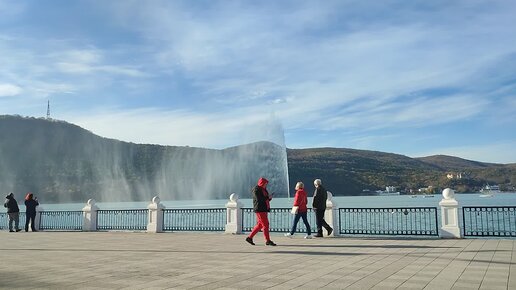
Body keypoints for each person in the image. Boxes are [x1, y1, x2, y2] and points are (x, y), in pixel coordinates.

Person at [245, 177, 277, 246]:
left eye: (266, 184)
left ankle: (249, 238)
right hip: (260, 209)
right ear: (262, 183)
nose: (266, 185)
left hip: (263, 209)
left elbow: (265, 199)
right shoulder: (256, 189)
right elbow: (259, 199)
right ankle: (267, 240)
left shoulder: (263, 189)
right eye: (265, 184)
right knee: (265, 225)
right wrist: (268, 197)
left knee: (260, 225)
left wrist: (269, 198)